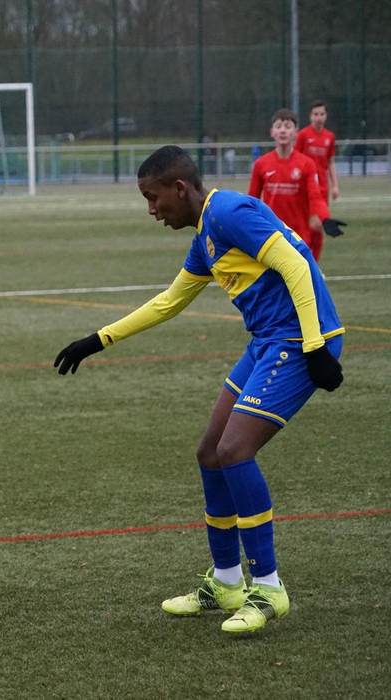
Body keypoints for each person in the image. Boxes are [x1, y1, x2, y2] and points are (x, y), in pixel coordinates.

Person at [54, 145, 344, 634]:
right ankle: (227, 582)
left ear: (179, 188)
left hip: (299, 341)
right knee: (210, 452)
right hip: (268, 341)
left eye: (153, 198)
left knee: (234, 451)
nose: (151, 210)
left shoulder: (228, 212)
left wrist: (316, 346)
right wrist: (98, 340)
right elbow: (169, 302)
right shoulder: (205, 237)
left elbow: (296, 265)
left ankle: (269, 588)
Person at [248, 108, 345, 262]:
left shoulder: (307, 164)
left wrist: (325, 218)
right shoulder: (261, 164)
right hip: (272, 236)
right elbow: (252, 200)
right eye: (278, 126)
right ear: (272, 132)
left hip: (299, 237)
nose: (283, 130)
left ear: (295, 133)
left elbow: (315, 196)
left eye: (287, 127)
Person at [295, 99, 339, 204]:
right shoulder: (303, 134)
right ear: (310, 116)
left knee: (322, 213)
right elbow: (295, 158)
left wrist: (335, 185)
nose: (319, 117)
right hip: (305, 184)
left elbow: (331, 162)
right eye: (316, 114)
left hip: (323, 185)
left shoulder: (330, 136)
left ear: (326, 115)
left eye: (322, 114)